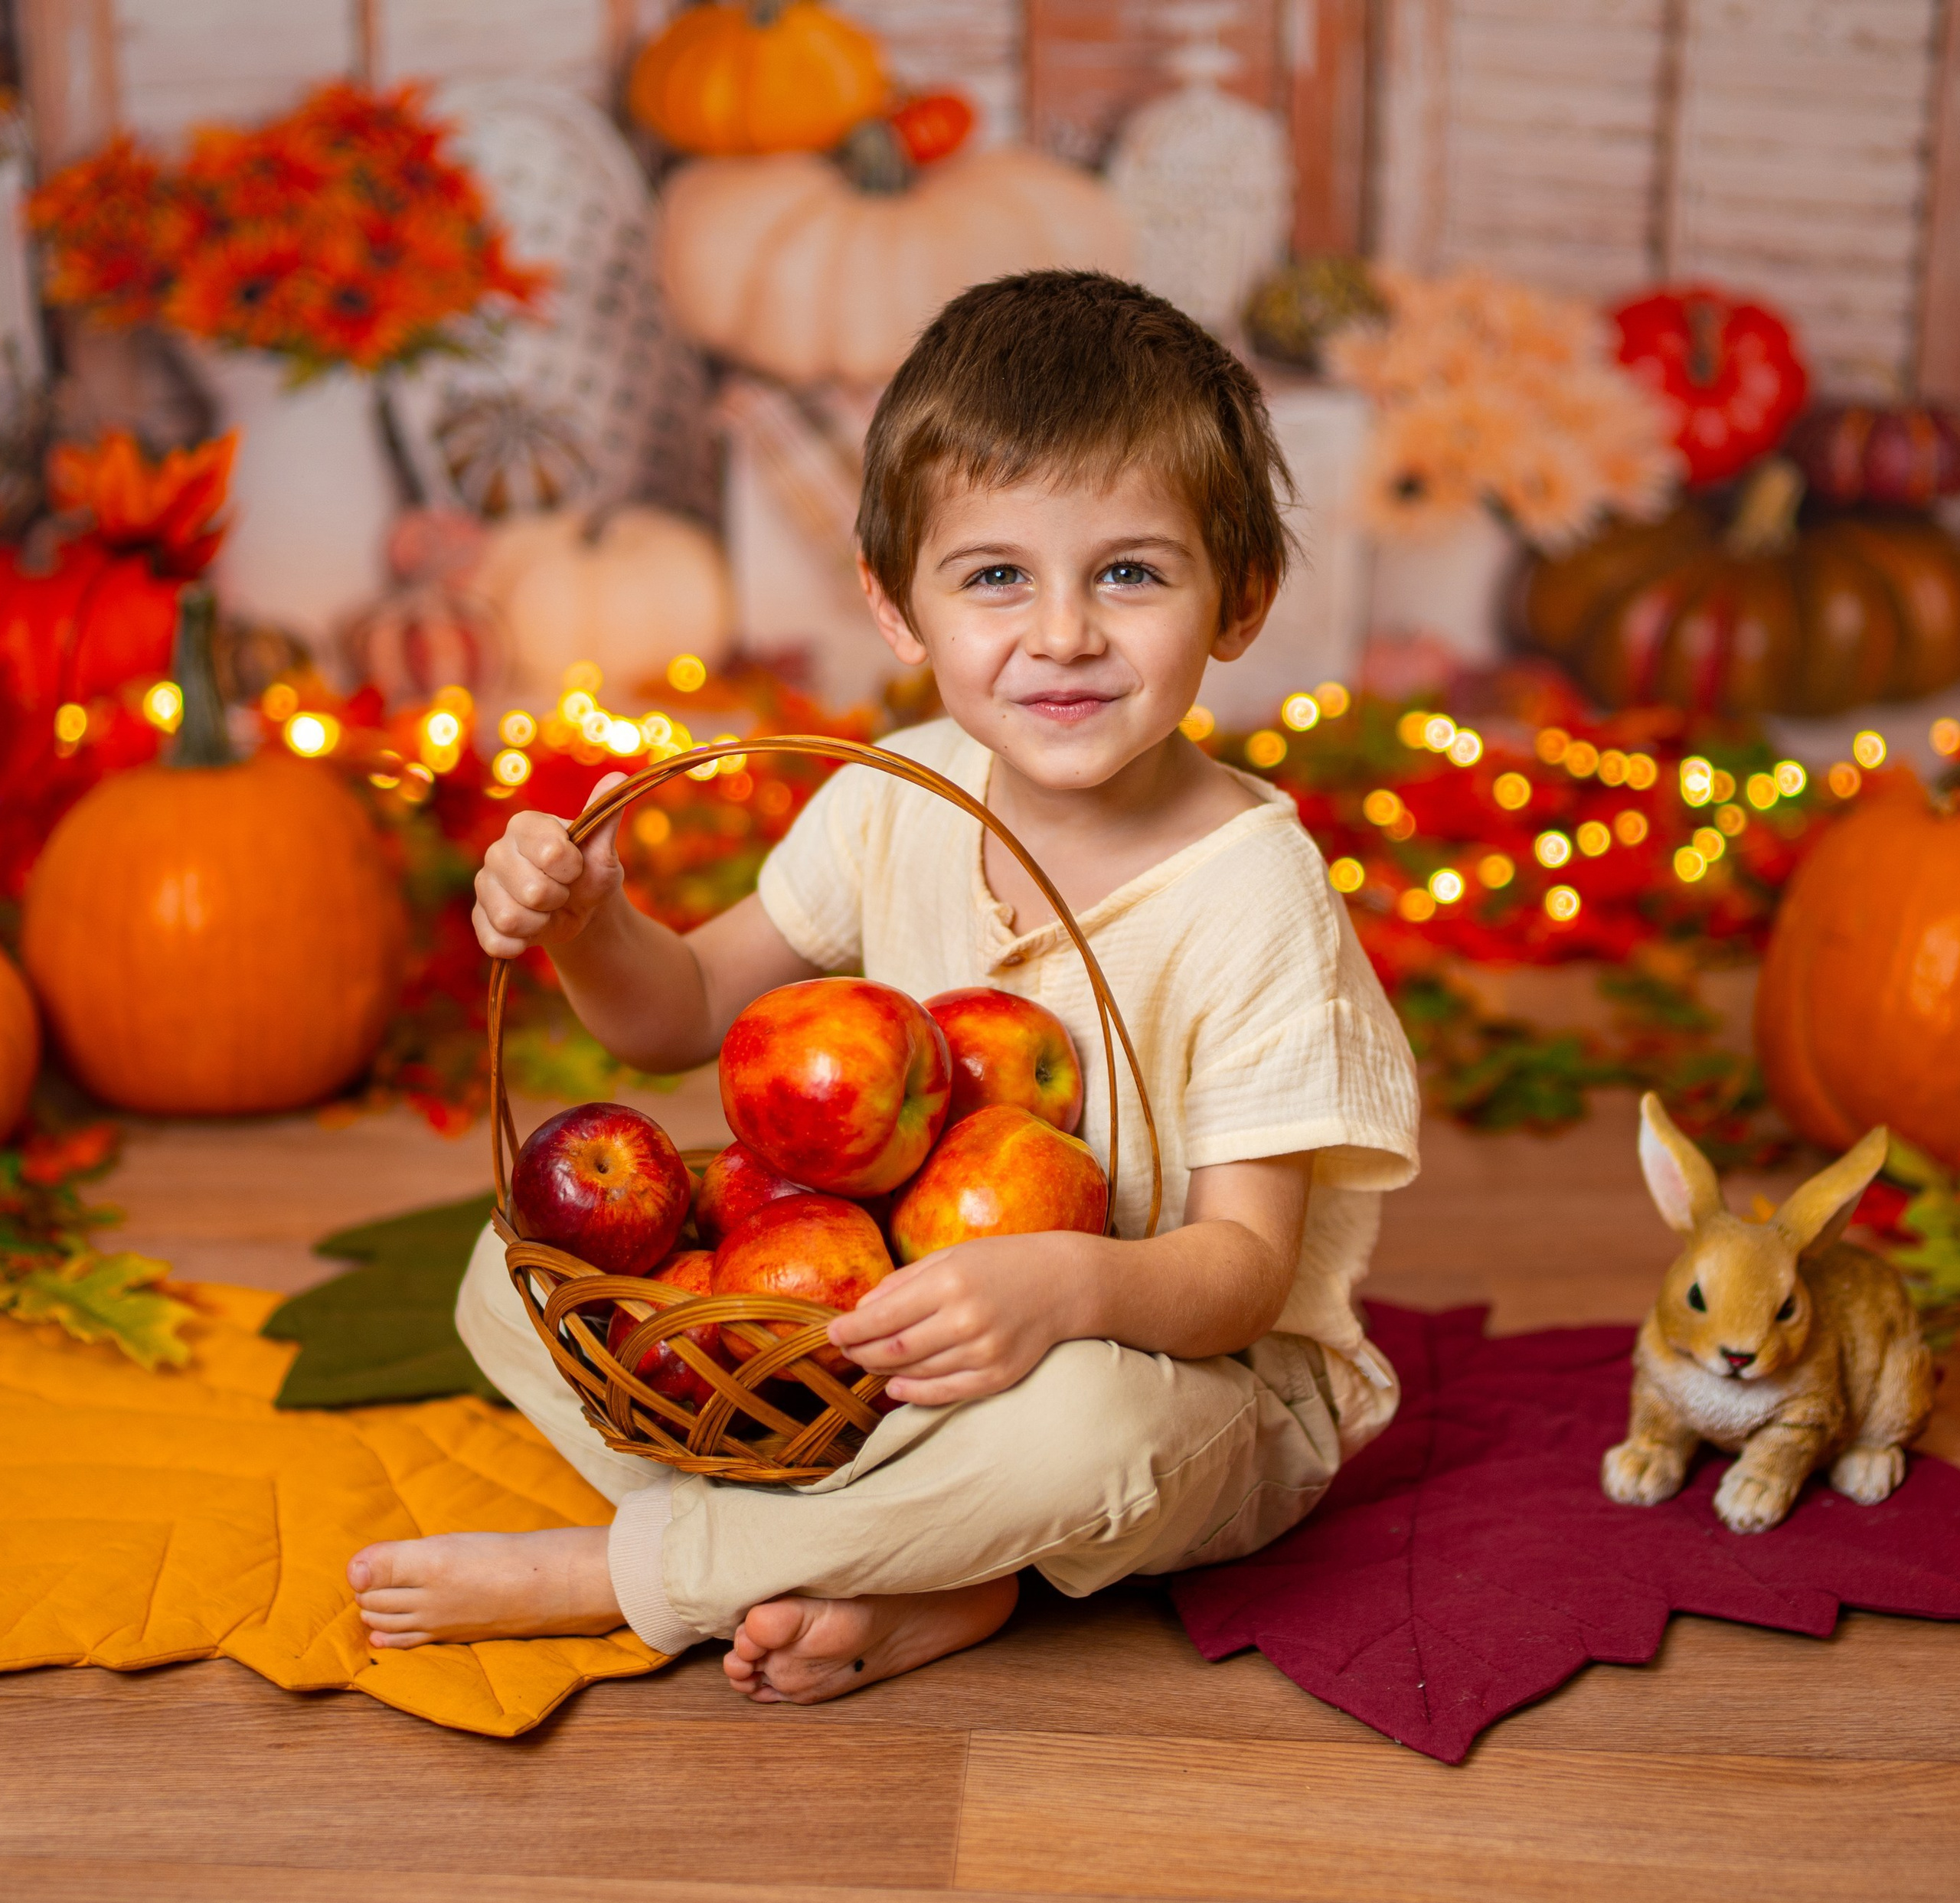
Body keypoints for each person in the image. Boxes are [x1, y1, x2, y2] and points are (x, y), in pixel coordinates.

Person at [347, 270, 1420, 1704]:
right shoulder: (895, 798)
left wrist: (1063, 1283)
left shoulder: (1251, 894)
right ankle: (933, 1567)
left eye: (1131, 572)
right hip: (877, 1354)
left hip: (1171, 1375)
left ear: (1241, 598)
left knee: (1089, 1440)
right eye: (994, 577)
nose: (1062, 634)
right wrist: (592, 922)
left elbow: (1239, 1278)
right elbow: (675, 1019)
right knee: (504, 1277)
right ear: (896, 604)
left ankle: (639, 1571)